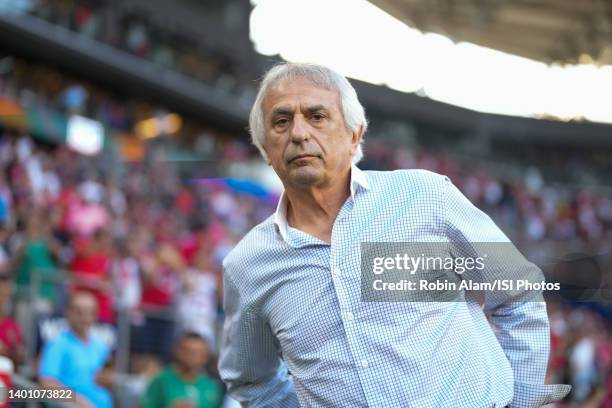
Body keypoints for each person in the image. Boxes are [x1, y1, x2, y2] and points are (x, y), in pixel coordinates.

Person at [218, 62, 571, 408]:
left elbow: (518, 292)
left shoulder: (425, 196)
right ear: (266, 149)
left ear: (354, 134)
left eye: (317, 116)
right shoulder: (248, 266)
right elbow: (252, 380)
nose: (298, 133)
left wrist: (521, 402)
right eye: (281, 121)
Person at [39, 291, 115, 408]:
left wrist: (109, 381)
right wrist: (77, 401)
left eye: (91, 313)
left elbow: (107, 379)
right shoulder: (57, 345)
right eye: (79, 312)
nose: (85, 318)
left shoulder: (101, 347)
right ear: (68, 313)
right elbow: (48, 385)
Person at [141, 331, 224, 408]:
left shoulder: (212, 385)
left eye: (198, 353)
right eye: (189, 352)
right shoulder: (161, 380)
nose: (192, 357)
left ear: (205, 356)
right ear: (178, 351)